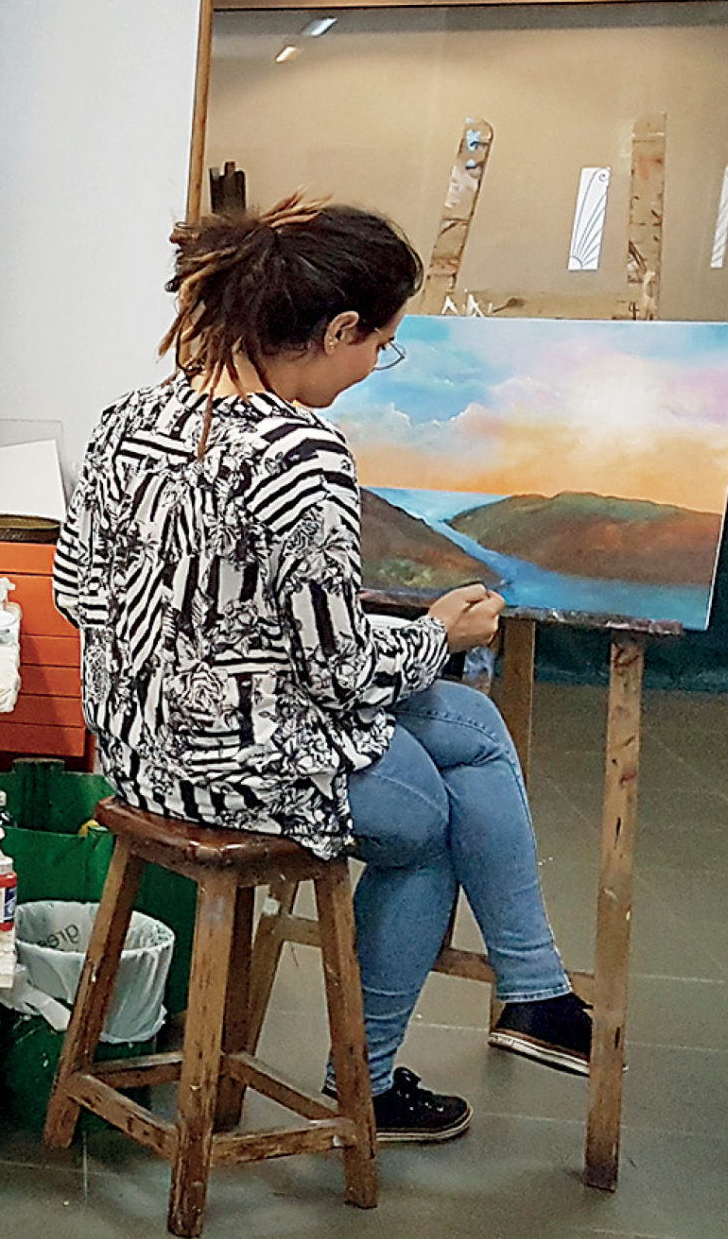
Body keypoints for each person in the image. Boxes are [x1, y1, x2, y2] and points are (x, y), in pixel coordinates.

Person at [53, 194, 595, 1143]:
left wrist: (200, 649)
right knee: (428, 825)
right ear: (338, 328)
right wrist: (438, 633)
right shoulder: (300, 450)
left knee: (470, 733)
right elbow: (340, 670)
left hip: (136, 743)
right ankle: (377, 1079)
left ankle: (534, 987)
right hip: (235, 766)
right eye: (380, 344)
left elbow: (77, 594)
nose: (374, 365)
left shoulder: (126, 417)